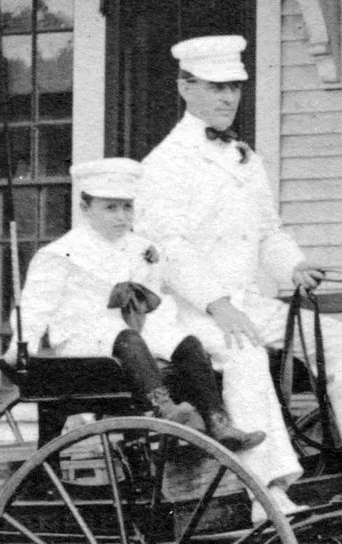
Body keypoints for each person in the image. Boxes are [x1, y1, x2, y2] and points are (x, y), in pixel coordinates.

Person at [137, 35, 342, 510]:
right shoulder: (165, 163)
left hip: (249, 303)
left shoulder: (245, 159)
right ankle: (267, 491)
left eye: (235, 87)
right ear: (185, 87)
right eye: (215, 86)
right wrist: (218, 305)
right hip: (190, 314)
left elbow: (269, 232)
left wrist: (295, 265)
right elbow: (171, 248)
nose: (228, 98)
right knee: (245, 355)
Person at [14, 158, 264, 453]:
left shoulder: (141, 248)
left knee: (186, 343)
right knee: (125, 337)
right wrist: (23, 346)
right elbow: (35, 305)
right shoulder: (60, 253)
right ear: (85, 209)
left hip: (132, 330)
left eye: (127, 207)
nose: (121, 217)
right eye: (110, 207)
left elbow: (151, 296)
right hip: (82, 338)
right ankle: (166, 410)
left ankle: (217, 421)